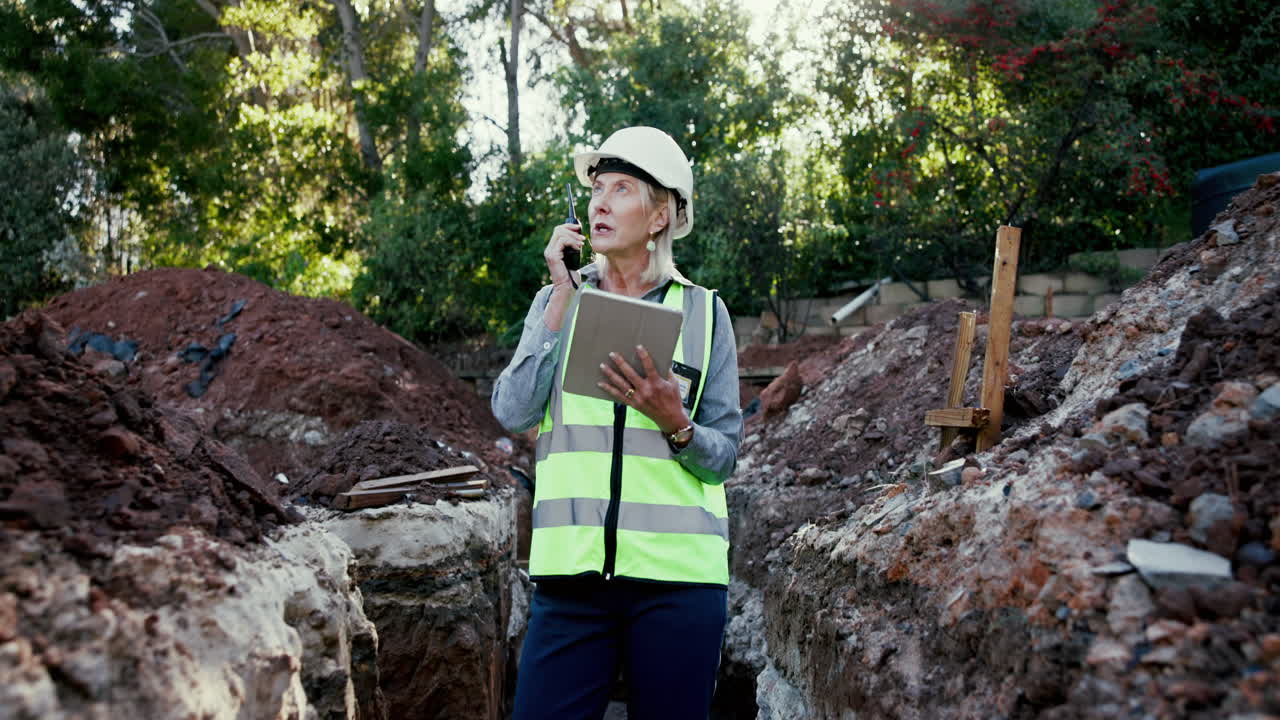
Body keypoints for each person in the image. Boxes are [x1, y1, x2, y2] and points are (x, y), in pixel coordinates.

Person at [491, 126, 742, 720]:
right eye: (597, 189)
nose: (599, 202)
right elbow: (513, 410)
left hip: (679, 584)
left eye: (621, 189)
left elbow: (724, 455)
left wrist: (675, 423)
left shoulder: (706, 314)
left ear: (660, 216)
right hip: (570, 581)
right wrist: (560, 295)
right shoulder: (555, 302)